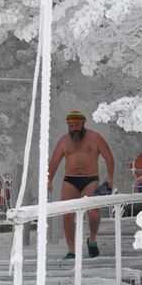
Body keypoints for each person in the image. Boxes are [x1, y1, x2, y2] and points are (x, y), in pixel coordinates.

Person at [48, 110, 114, 259]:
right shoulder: (64, 141)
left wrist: (110, 176)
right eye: (71, 126)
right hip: (70, 180)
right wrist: (49, 179)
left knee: (93, 210)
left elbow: (108, 157)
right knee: (67, 214)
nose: (74, 128)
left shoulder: (95, 138)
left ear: (83, 123)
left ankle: (92, 240)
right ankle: (71, 250)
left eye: (77, 125)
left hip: (90, 179)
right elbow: (54, 162)